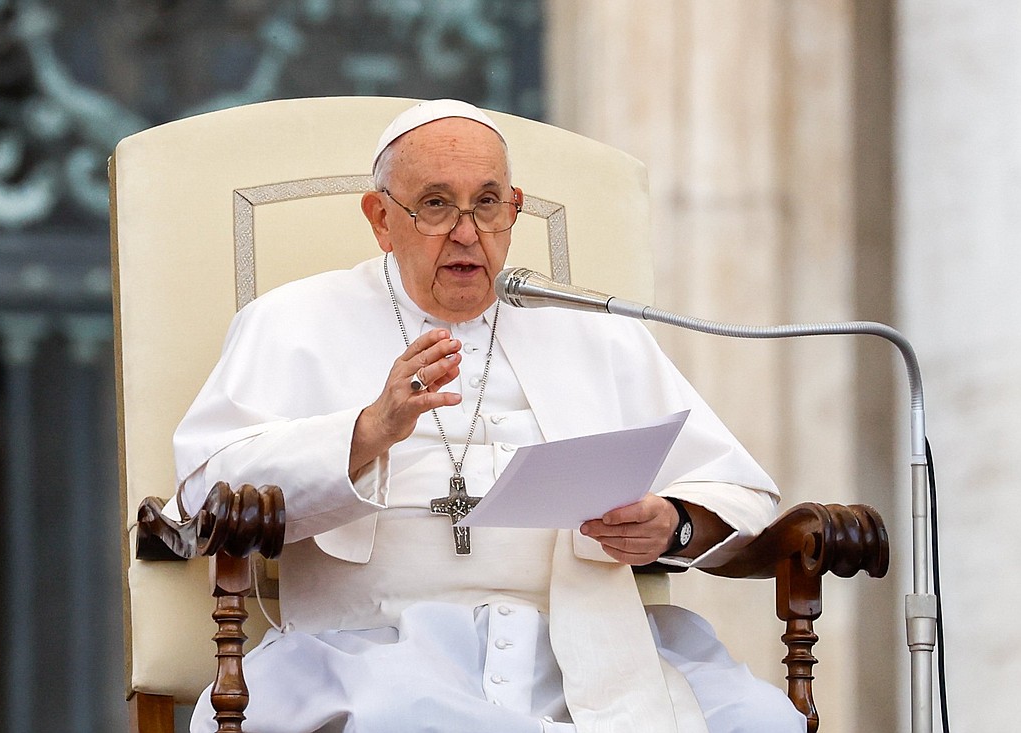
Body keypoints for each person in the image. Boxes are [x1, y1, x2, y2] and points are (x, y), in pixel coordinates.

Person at [174, 99, 807, 733]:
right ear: (380, 219)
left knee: (761, 721)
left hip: (587, 650)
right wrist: (368, 432)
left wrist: (672, 527)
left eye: (487, 203)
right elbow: (207, 491)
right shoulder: (293, 322)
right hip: (372, 649)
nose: (467, 232)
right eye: (436, 204)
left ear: (515, 209)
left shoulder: (595, 334)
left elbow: (735, 486)